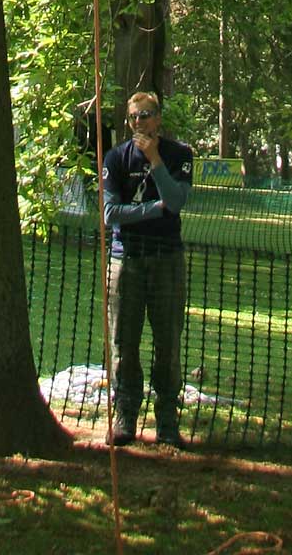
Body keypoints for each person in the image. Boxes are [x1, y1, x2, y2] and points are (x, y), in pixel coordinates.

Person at [103, 89, 193, 448]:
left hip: (166, 258)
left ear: (158, 118)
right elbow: (111, 215)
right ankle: (125, 415)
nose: (138, 122)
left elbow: (177, 200)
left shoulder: (179, 155)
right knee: (123, 342)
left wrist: (155, 160)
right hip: (126, 260)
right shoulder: (115, 158)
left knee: (168, 340)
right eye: (133, 117)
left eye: (145, 115)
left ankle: (167, 420)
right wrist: (155, 209)